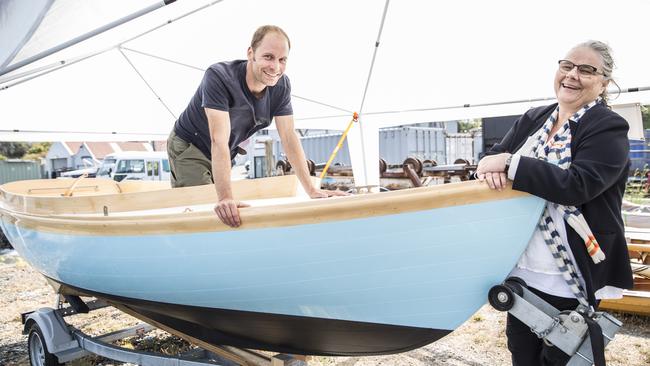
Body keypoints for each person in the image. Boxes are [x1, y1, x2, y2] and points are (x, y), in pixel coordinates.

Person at [476, 40, 633, 365]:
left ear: (604, 82)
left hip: (571, 273)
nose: (573, 75)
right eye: (567, 65)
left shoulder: (608, 126)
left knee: (563, 359)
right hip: (523, 268)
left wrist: (510, 164)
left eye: (587, 70)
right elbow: (491, 159)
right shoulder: (535, 118)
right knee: (522, 355)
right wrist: (489, 168)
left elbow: (578, 185)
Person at [167, 25, 346, 227]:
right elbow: (219, 139)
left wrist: (312, 190)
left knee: (223, 207)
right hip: (191, 145)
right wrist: (225, 197)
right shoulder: (219, 76)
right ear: (250, 53)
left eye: (282, 60)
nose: (275, 67)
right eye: (268, 57)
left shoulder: (281, 86)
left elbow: (288, 137)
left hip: (225, 150)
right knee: (206, 211)